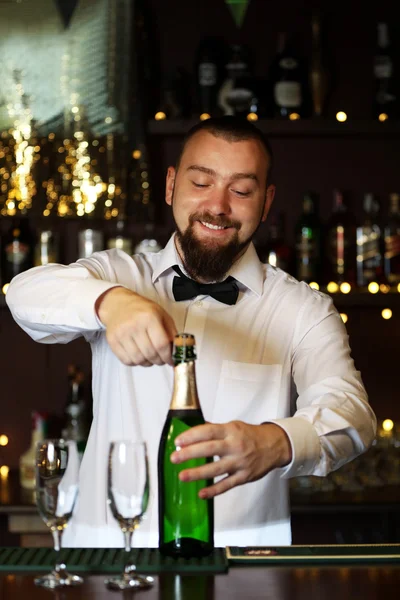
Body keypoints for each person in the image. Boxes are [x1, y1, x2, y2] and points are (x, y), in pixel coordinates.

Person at [6, 116, 376, 548]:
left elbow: (353, 415)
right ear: (170, 185)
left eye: (240, 190)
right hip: (105, 561)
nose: (218, 206)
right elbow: (24, 294)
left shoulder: (302, 310)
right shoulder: (117, 274)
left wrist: (277, 442)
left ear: (266, 201)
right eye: (201, 182)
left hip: (243, 566)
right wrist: (109, 302)